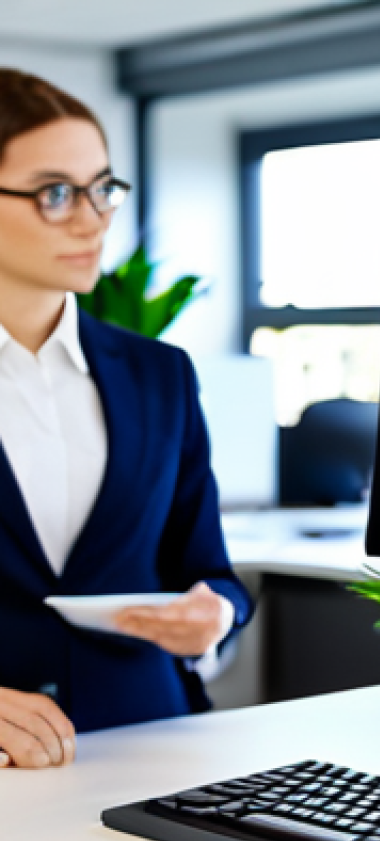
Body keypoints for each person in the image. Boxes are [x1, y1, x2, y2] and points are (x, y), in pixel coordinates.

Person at [0, 69, 253, 768]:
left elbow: (210, 572)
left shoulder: (159, 374)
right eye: (55, 193)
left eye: (103, 188)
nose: (93, 219)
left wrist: (216, 616)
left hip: (154, 754)